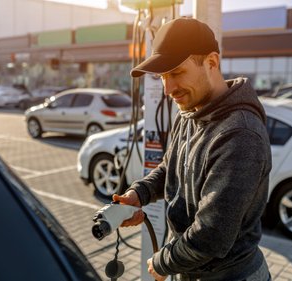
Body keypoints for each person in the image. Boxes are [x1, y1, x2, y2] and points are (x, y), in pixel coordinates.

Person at [113, 17, 272, 281]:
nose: (168, 89)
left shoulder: (240, 134)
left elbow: (211, 236)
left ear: (211, 62)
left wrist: (163, 262)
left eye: (176, 72)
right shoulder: (190, 112)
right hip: (191, 269)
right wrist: (138, 194)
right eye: (162, 76)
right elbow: (170, 167)